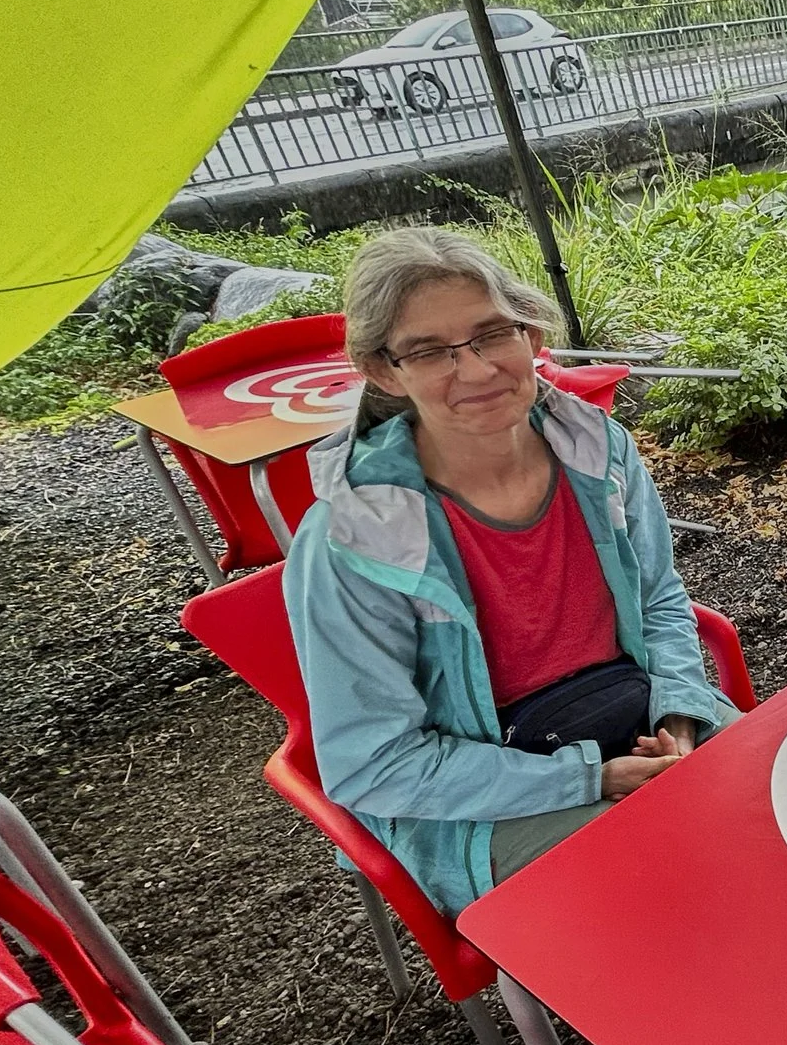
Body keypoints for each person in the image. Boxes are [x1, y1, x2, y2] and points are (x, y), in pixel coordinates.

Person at [285, 228, 733, 916]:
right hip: (481, 797)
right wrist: (589, 778)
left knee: (784, 807)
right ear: (384, 371)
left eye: (493, 334)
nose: (476, 370)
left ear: (531, 333)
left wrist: (679, 717)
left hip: (631, 714)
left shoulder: (599, 452)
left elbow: (658, 599)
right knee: (663, 895)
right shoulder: (354, 539)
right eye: (429, 351)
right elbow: (374, 763)